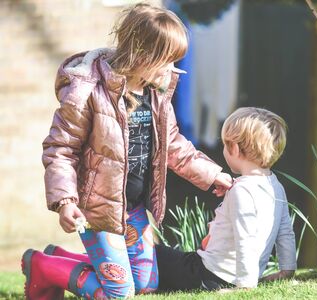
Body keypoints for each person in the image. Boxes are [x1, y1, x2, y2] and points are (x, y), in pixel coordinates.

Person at [21, 3, 232, 299]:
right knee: (119, 294)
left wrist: (213, 175)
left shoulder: (155, 94)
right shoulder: (88, 93)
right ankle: (44, 267)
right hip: (97, 211)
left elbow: (173, 145)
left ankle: (60, 259)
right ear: (144, 56)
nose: (173, 70)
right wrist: (65, 201)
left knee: (146, 285)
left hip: (133, 209)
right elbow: (60, 149)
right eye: (167, 61)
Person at [154, 107, 297, 291]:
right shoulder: (275, 185)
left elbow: (245, 238)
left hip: (209, 274)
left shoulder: (242, 191)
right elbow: (285, 232)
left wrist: (245, 285)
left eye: (224, 145)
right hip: (222, 273)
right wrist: (287, 270)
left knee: (151, 254)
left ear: (235, 149)